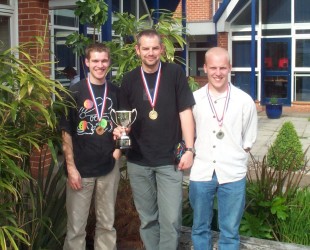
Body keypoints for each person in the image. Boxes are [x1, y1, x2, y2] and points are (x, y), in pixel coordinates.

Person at [113, 29, 195, 249]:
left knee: (171, 219)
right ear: (137, 50)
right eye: (146, 48)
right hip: (139, 161)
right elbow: (124, 120)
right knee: (148, 219)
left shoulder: (174, 73)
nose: (150, 53)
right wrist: (122, 132)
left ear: (161, 49)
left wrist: (190, 149)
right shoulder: (129, 79)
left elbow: (185, 111)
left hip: (170, 160)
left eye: (155, 48)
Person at [189, 47, 258, 250]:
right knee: (200, 227)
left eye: (222, 68)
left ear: (230, 68)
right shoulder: (194, 99)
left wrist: (232, 155)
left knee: (230, 232)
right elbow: (188, 135)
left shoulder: (244, 101)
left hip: (233, 173)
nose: (217, 73)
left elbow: (248, 140)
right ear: (204, 68)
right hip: (201, 171)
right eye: (213, 68)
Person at [60, 43, 121, 250]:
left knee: (106, 224)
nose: (100, 65)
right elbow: (66, 131)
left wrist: (117, 152)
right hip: (81, 169)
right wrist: (71, 167)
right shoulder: (74, 92)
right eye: (95, 61)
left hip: (108, 167)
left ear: (109, 62)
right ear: (87, 62)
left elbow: (124, 126)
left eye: (104, 60)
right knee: (76, 227)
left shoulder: (115, 91)